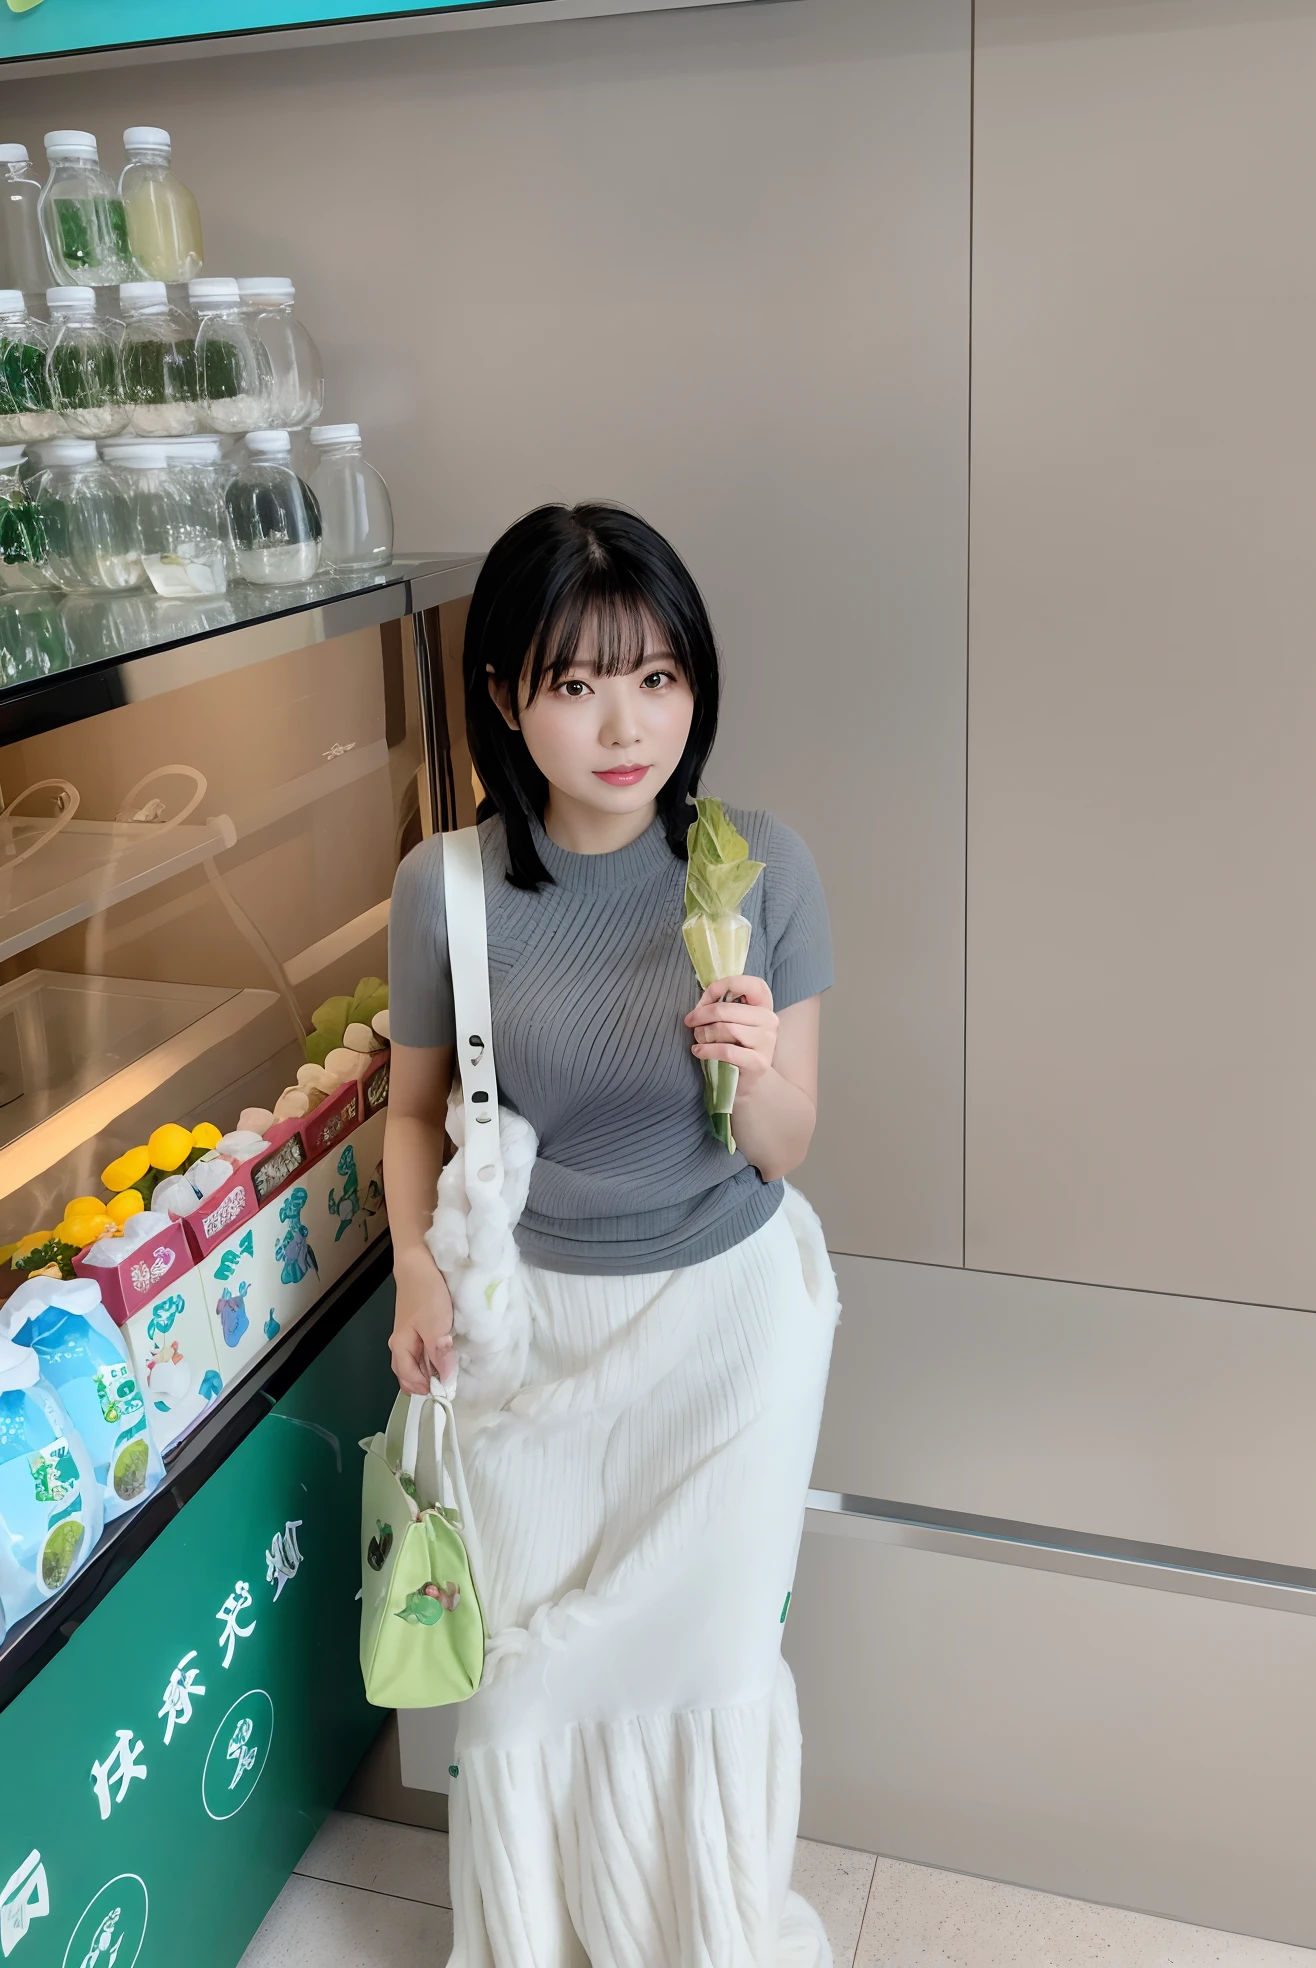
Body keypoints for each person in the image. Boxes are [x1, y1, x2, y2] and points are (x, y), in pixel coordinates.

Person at [384, 503, 840, 1967]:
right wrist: (409, 1260)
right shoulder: (443, 891)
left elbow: (784, 1148)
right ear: (507, 699)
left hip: (729, 1326)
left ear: (695, 684)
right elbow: (411, 1116)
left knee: (708, 1663)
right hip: (533, 1337)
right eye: (576, 684)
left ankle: (707, 1934)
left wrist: (755, 1060)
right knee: (529, 1690)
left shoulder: (757, 865)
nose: (623, 723)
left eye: (657, 677)